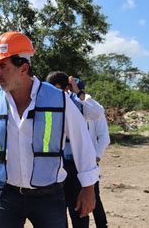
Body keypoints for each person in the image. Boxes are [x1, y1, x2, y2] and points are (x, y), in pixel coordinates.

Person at [0, 31, 100, 227]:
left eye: (3, 66)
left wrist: (88, 188)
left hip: (49, 197)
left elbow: (82, 144)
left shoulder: (59, 100)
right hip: (7, 196)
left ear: (23, 68)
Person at [46, 71, 110, 227]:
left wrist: (79, 93)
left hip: (78, 165)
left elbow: (98, 114)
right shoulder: (47, 103)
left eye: (57, 89)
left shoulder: (80, 103)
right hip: (57, 165)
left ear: (67, 88)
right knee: (58, 210)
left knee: (81, 208)